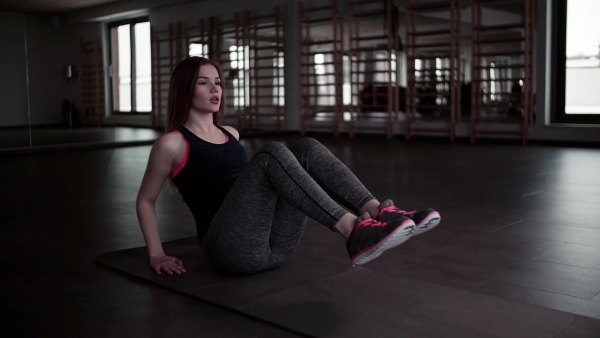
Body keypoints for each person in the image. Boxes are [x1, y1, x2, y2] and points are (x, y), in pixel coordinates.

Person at [136, 56, 441, 276]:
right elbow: (145, 201)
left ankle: (379, 212)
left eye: (217, 82)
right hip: (228, 251)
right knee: (271, 154)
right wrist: (156, 254)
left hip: (273, 246)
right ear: (185, 89)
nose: (215, 89)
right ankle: (352, 230)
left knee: (306, 147)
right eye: (204, 83)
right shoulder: (173, 143)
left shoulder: (231, 134)